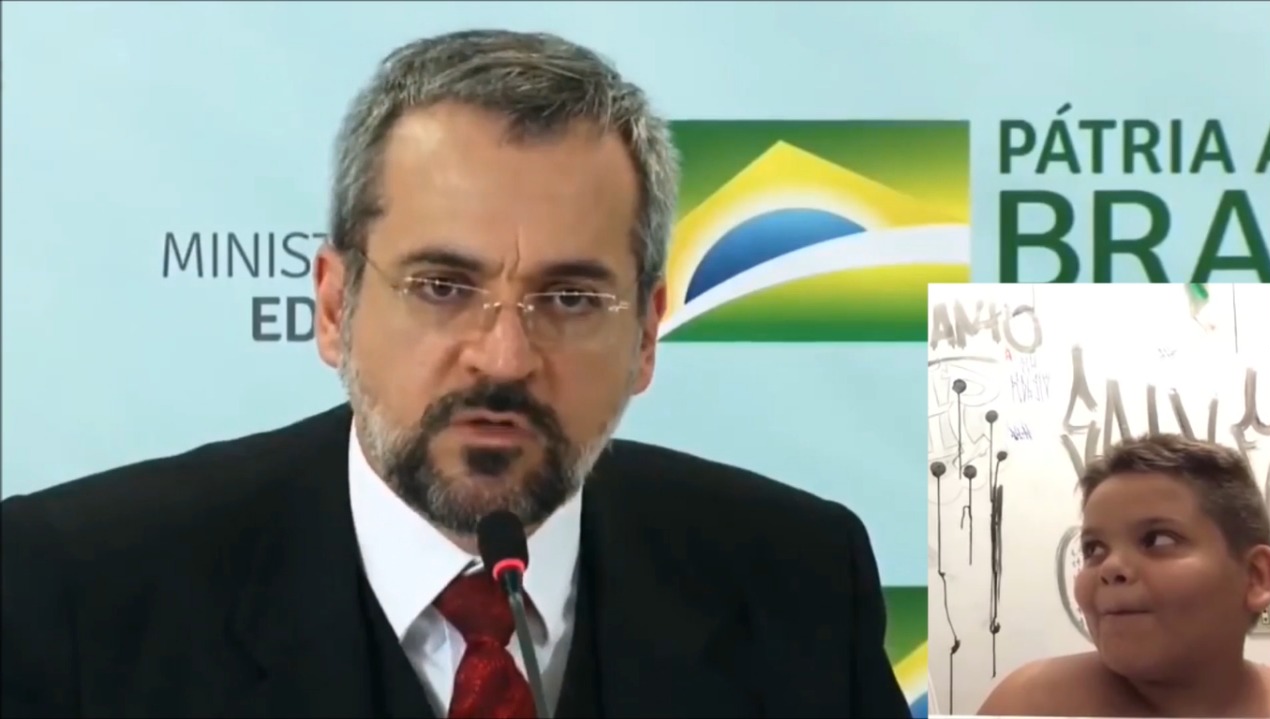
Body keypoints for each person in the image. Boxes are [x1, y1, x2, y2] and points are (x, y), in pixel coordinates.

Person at [1, 30, 910, 719]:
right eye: (442, 286)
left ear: (645, 335)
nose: (503, 358)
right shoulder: (79, 595)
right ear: (335, 305)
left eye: (569, 297)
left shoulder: (798, 582)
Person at [978, 434, 1270, 718]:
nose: (1109, 567)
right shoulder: (1028, 705)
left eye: (1158, 540)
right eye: (1094, 549)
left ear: (1256, 577)